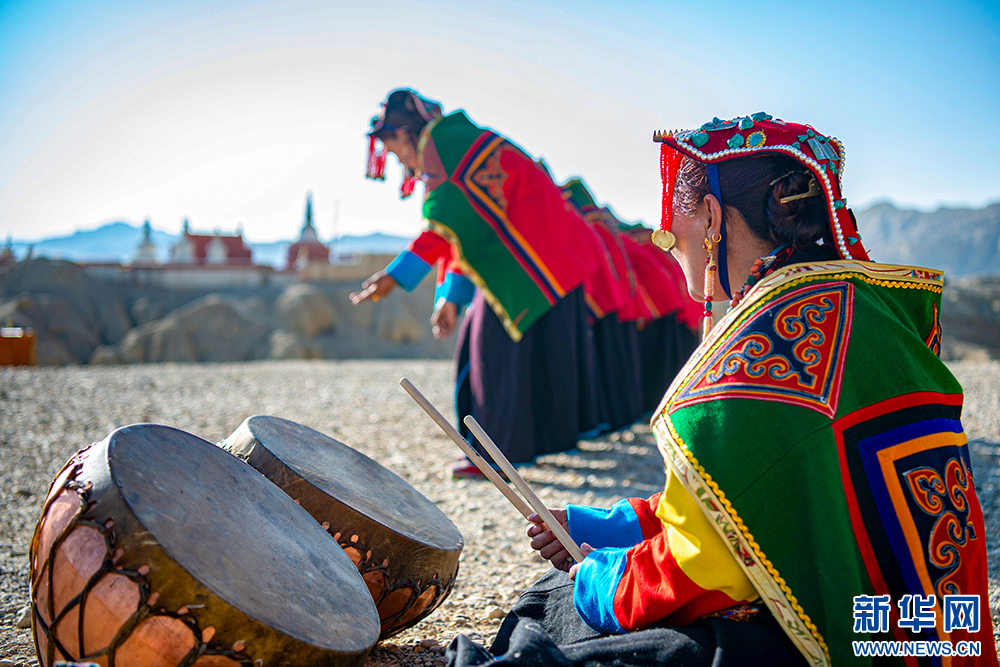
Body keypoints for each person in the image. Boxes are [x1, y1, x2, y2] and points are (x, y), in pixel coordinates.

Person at [445, 113, 998, 667]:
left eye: (669, 228)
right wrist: (618, 527)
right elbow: (764, 493)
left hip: (845, 645)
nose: (666, 244)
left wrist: (601, 579)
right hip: (937, 636)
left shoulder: (755, 356)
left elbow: (706, 568)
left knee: (555, 607)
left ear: (711, 218)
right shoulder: (875, 311)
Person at [351, 88, 607, 472]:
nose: (400, 161)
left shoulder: (444, 146)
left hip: (534, 261)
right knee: (492, 348)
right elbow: (468, 234)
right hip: (543, 257)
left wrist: (397, 274)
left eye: (394, 151)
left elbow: (448, 222)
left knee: (492, 355)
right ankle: (506, 447)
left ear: (404, 136)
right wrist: (450, 298)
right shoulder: (454, 142)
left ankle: (495, 453)